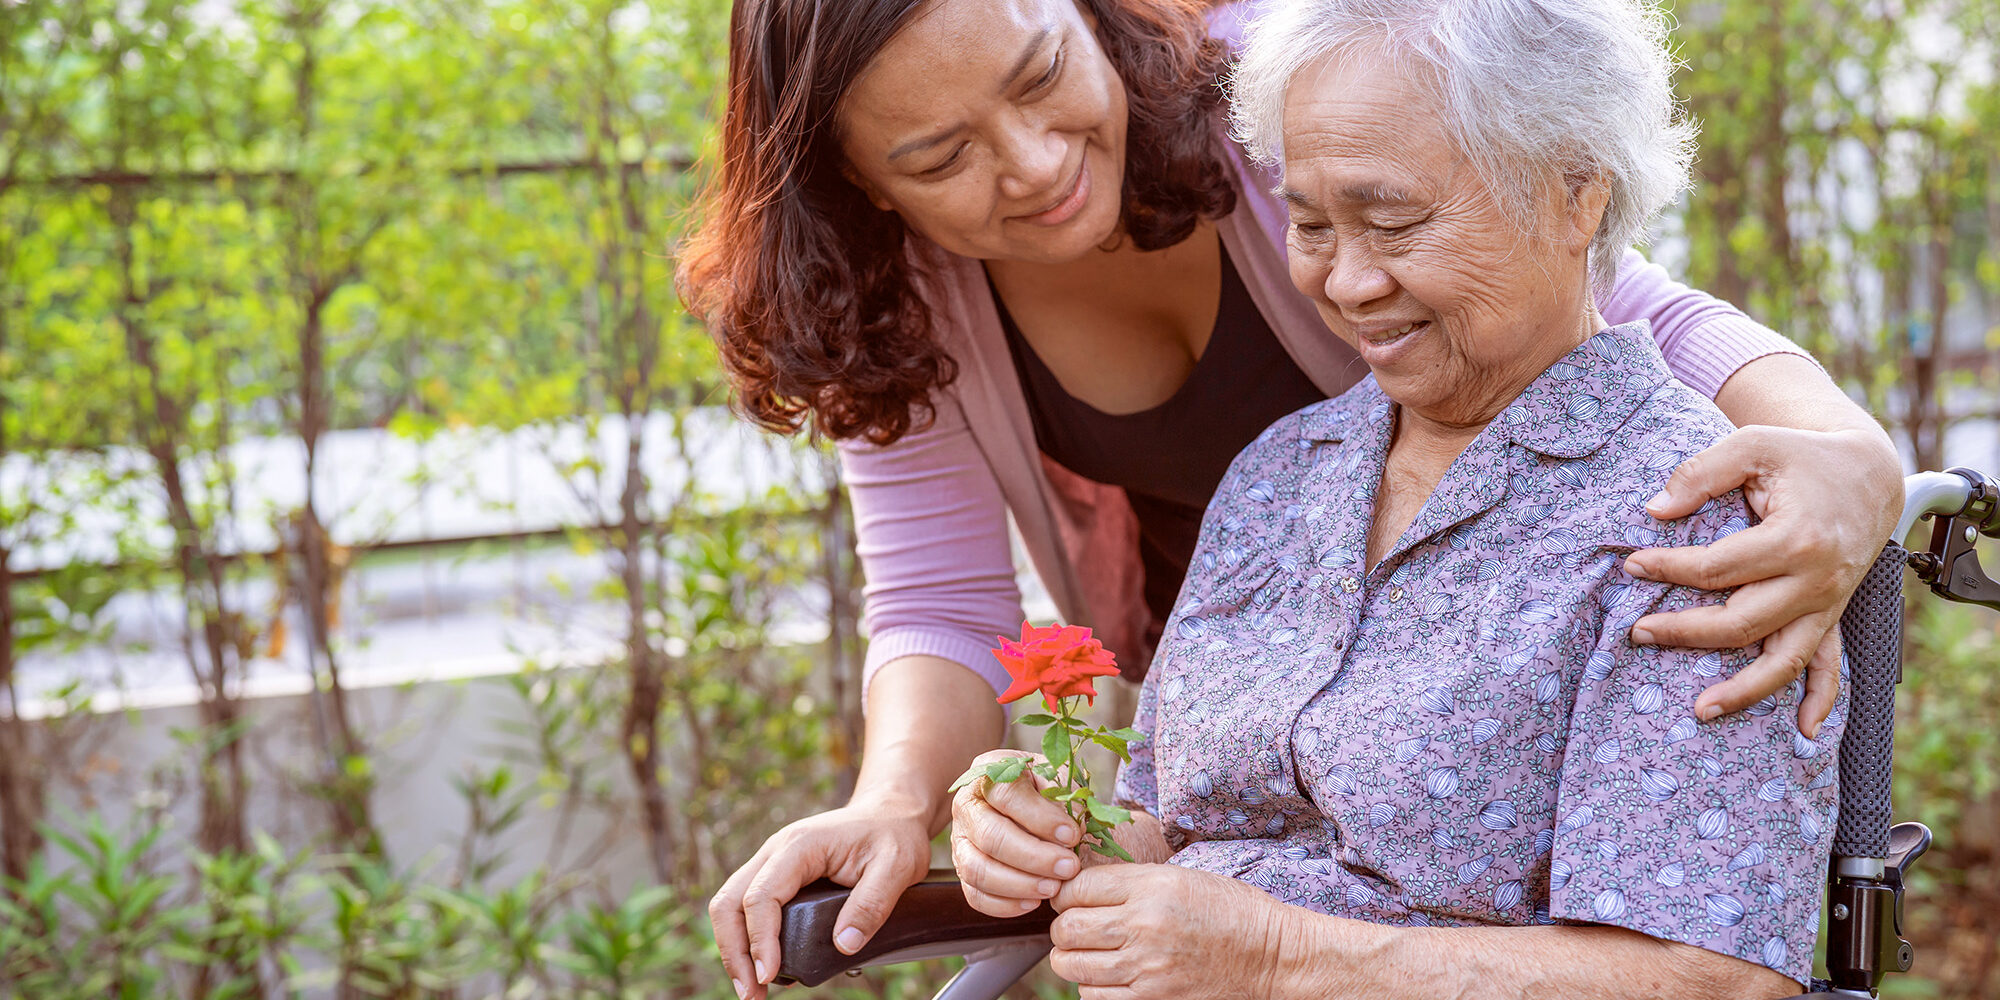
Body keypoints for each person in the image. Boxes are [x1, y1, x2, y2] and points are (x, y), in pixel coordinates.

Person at [674, 0, 1899, 994]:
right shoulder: (1275, 478)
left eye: (1389, 220)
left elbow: (1704, 974)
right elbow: (1142, 797)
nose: (1035, 162)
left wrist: (1847, 455)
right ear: (865, 186)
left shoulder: (1677, 518)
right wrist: (1012, 823)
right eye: (1311, 222)